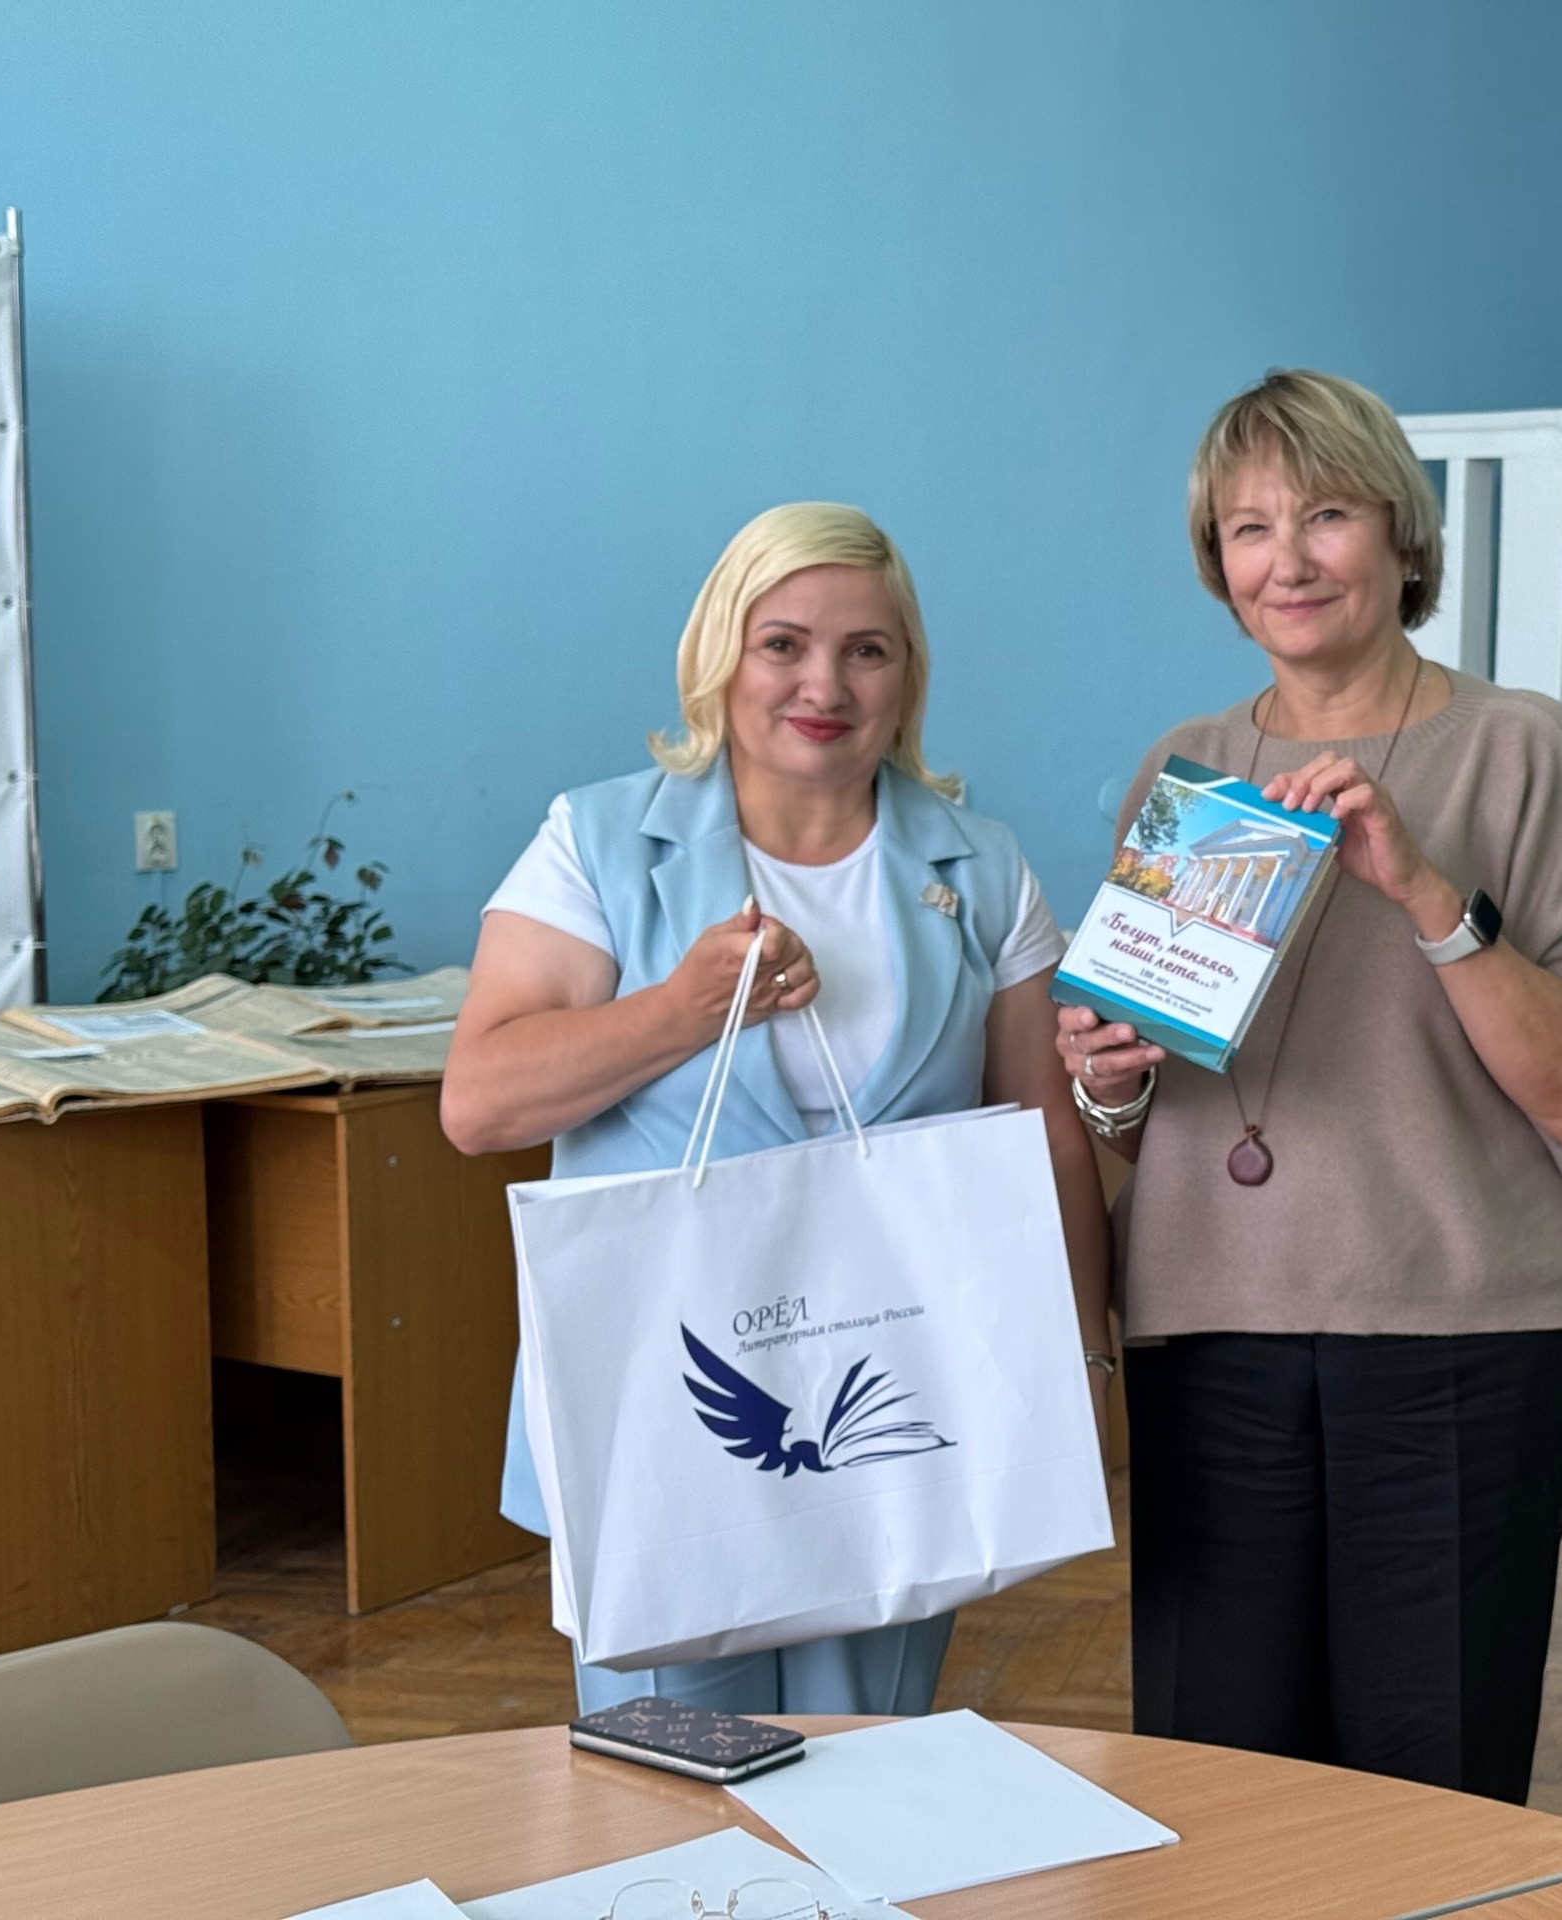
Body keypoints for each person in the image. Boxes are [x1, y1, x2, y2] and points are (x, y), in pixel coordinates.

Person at [1054, 370, 1562, 1802]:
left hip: (1461, 1334)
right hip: (1210, 1332)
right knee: (1217, 1778)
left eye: (1324, 514)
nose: (1288, 558)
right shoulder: (1188, 768)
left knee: (1432, 1779)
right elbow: (1135, 1120)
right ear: (1218, 562)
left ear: (1400, 536)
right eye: (1248, 527)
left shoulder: (1520, 748)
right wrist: (1106, 1080)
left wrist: (1427, 894)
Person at [446, 500, 1114, 1718]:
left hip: (894, 1399)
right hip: (664, 1400)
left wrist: (1078, 1359)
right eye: (784, 644)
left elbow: (1043, 1138)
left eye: (868, 650)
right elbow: (480, 1102)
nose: (825, 685)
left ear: (908, 678)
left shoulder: (985, 867)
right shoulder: (595, 841)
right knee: (667, 1777)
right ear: (721, 656)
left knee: (876, 1754)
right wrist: (683, 1009)